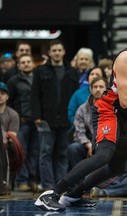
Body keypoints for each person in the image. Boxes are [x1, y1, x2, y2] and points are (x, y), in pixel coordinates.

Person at [34, 15, 127, 211]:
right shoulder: (125, 58)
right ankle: (51, 193)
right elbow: (126, 100)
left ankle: (74, 195)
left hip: (125, 117)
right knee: (103, 156)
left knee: (116, 167)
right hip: (109, 110)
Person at [31, 39, 79, 191]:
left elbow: (75, 97)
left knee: (62, 154)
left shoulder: (72, 72)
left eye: (59, 50)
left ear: (63, 52)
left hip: (65, 119)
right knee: (45, 153)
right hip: (46, 119)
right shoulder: (39, 71)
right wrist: (37, 116)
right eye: (54, 50)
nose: (57, 53)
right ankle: (47, 187)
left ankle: (60, 186)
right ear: (49, 53)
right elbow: (35, 95)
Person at [7, 54, 39, 192]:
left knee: (35, 152)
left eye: (28, 62)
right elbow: (9, 101)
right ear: (18, 65)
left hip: (37, 121)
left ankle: (33, 180)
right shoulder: (13, 81)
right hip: (22, 121)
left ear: (33, 64)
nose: (26, 64)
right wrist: (15, 117)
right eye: (23, 62)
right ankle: (22, 181)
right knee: (21, 152)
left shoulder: (38, 80)